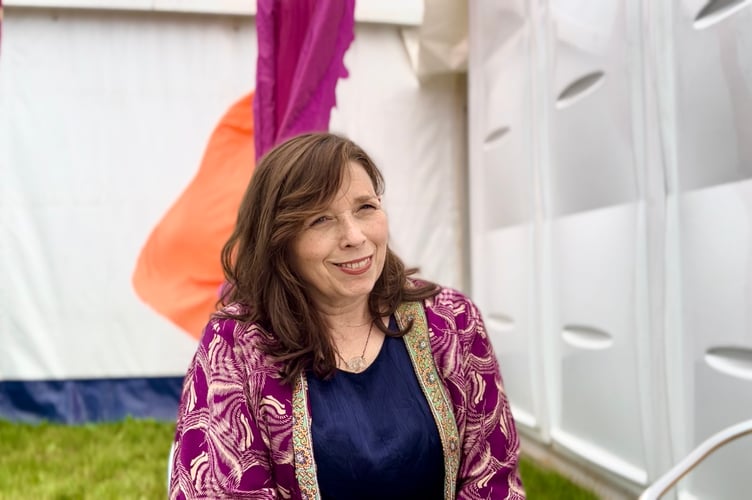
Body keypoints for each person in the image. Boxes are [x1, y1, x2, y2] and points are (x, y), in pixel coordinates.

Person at [168, 132, 526, 499]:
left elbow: (492, 479)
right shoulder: (236, 346)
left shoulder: (451, 322)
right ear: (278, 238)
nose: (354, 236)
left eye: (365, 208)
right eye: (320, 219)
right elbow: (221, 489)